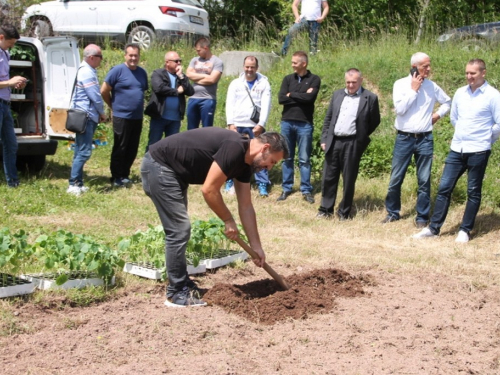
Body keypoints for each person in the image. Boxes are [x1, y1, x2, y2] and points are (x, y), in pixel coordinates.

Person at [141, 127, 289, 307]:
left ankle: (182, 282)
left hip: (175, 173)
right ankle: (176, 292)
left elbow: (246, 206)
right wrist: (228, 220)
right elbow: (209, 190)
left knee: (179, 230)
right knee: (178, 230)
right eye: (272, 161)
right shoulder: (234, 147)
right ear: (265, 148)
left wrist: (256, 246)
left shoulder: (245, 164)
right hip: (159, 166)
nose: (270, 167)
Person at [412, 59, 500, 243]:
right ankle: (434, 228)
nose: (469, 76)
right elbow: (454, 118)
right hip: (457, 148)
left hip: (479, 150)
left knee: (473, 191)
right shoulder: (460, 92)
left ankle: (465, 230)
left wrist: (485, 138)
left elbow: (498, 124)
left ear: (483, 73)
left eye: (473, 73)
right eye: (467, 73)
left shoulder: (493, 95)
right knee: (444, 188)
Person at [383, 52, 451, 227]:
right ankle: (393, 212)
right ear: (414, 66)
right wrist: (413, 90)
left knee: (424, 179)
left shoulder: (432, 86)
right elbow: (400, 109)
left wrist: (437, 115)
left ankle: (422, 216)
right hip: (404, 138)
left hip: (425, 139)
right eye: (424, 66)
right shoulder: (400, 84)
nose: (428, 69)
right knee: (396, 178)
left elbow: (448, 102)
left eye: (429, 65)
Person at [317, 68, 380, 220]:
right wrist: (324, 140)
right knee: (328, 177)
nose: (351, 85)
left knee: (349, 178)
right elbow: (328, 118)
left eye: (354, 82)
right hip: (334, 142)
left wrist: (361, 136)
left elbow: (375, 121)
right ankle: (325, 210)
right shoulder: (337, 94)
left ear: (361, 81)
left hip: (352, 143)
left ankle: (344, 212)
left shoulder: (370, 97)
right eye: (348, 82)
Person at [101, 43, 148, 187]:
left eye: (136, 55)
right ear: (125, 56)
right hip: (121, 116)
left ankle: (125, 174)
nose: (133, 58)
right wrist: (112, 106)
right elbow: (104, 90)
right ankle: (116, 176)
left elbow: (142, 91)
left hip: (137, 117)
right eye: (131, 55)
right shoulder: (117, 71)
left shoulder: (142, 73)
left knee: (132, 147)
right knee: (120, 146)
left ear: (139, 56)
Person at [277, 50, 320, 204]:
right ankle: (286, 188)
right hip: (287, 122)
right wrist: (300, 95)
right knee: (287, 156)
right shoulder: (287, 79)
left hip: (305, 124)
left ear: (304, 63)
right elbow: (281, 99)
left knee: (304, 159)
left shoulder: (314, 79)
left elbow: (310, 99)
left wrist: (292, 94)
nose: (292, 65)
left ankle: (306, 189)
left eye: (295, 62)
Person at [225, 56, 272, 197]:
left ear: (257, 68)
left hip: (255, 126)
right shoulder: (235, 83)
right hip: (237, 124)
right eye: (247, 66)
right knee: (233, 155)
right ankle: (230, 181)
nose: (249, 69)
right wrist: (230, 123)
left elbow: (266, 105)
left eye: (252, 67)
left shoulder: (264, 83)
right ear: (243, 66)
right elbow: (229, 103)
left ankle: (262, 184)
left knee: (260, 155)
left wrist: (261, 124)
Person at [67, 44, 107, 196]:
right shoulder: (86, 72)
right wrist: (102, 112)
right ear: (91, 57)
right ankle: (73, 184)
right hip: (86, 116)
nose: (101, 60)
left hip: (86, 116)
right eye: (100, 57)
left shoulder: (87, 70)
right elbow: (95, 96)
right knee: (84, 151)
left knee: (79, 150)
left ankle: (78, 182)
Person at [145, 51, 194, 151]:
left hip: (175, 119)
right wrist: (176, 91)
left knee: (172, 147)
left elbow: (190, 91)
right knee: (154, 144)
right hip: (159, 117)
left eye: (180, 61)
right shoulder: (158, 73)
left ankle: (167, 166)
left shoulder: (180, 76)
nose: (179, 63)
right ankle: (148, 165)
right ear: (167, 62)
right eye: (176, 61)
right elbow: (159, 88)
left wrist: (181, 76)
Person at [0, 24, 27, 188]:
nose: (13, 46)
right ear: (1, 37)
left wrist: (13, 84)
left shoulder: (6, 53)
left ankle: (13, 182)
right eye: (11, 42)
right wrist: (9, 82)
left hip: (5, 104)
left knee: (11, 144)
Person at [185, 37, 223, 130]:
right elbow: (188, 74)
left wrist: (195, 78)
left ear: (206, 48)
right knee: (191, 129)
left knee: (206, 129)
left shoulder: (217, 62)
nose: (197, 53)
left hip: (207, 99)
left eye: (199, 50)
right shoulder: (194, 60)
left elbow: (212, 80)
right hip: (193, 98)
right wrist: (205, 76)